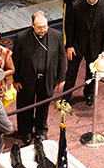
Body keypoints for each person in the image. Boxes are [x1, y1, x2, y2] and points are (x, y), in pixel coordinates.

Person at [12, 11, 66, 145]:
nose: (43, 30)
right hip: (26, 80)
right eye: (39, 27)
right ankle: (26, 131)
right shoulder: (21, 37)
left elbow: (62, 57)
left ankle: (41, 130)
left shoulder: (56, 35)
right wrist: (16, 79)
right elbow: (15, 60)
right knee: (26, 106)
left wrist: (61, 77)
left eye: (45, 26)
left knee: (43, 106)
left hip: (47, 79)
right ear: (32, 25)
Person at [63, 0, 104, 106]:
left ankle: (89, 94)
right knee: (71, 73)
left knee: (91, 74)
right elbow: (69, 28)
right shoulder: (76, 6)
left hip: (95, 47)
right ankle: (66, 97)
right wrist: (69, 46)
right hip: (77, 46)